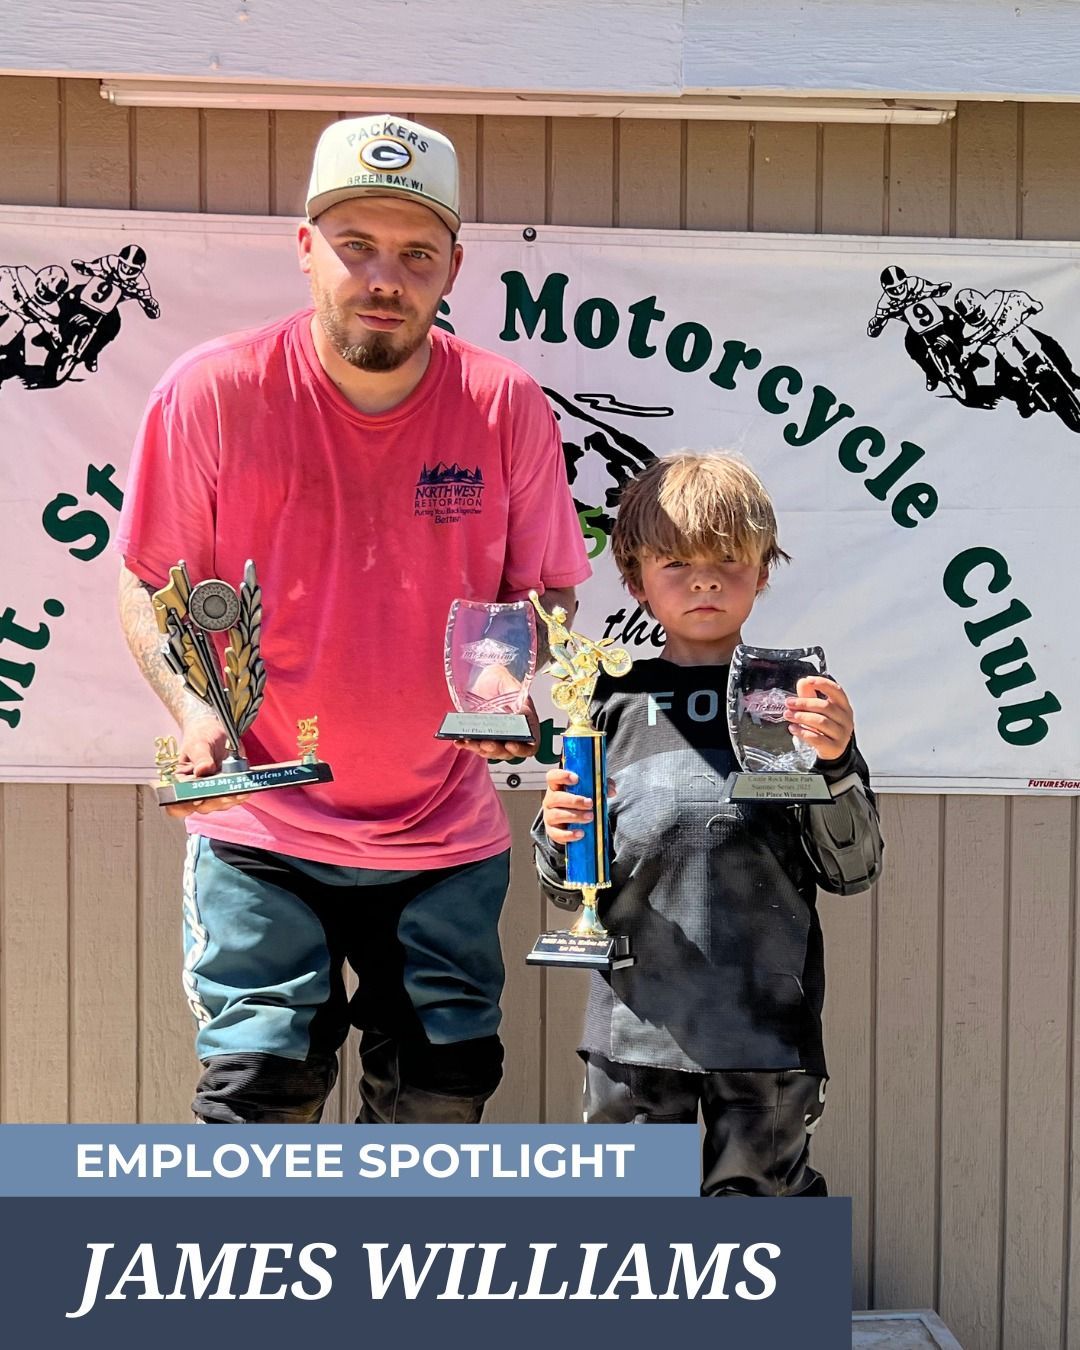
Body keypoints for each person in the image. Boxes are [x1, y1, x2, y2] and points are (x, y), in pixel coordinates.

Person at [117, 114, 590, 1125]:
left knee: (443, 1093)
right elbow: (148, 581)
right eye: (356, 246)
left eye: (417, 254)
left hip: (443, 837)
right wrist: (196, 714)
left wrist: (506, 671)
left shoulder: (505, 407)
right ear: (305, 250)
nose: (385, 276)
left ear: (453, 267)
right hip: (262, 826)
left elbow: (549, 588)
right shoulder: (213, 394)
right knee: (260, 1096)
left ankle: (386, 1285)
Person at [533, 452, 883, 1196]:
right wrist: (558, 832)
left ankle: (773, 1319)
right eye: (676, 563)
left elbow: (853, 870)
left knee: (761, 1215)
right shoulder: (606, 701)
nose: (704, 581)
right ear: (633, 578)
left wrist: (837, 763)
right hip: (634, 1022)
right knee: (629, 1223)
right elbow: (571, 890)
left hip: (765, 1025)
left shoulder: (796, 702)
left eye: (728, 560)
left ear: (763, 571)